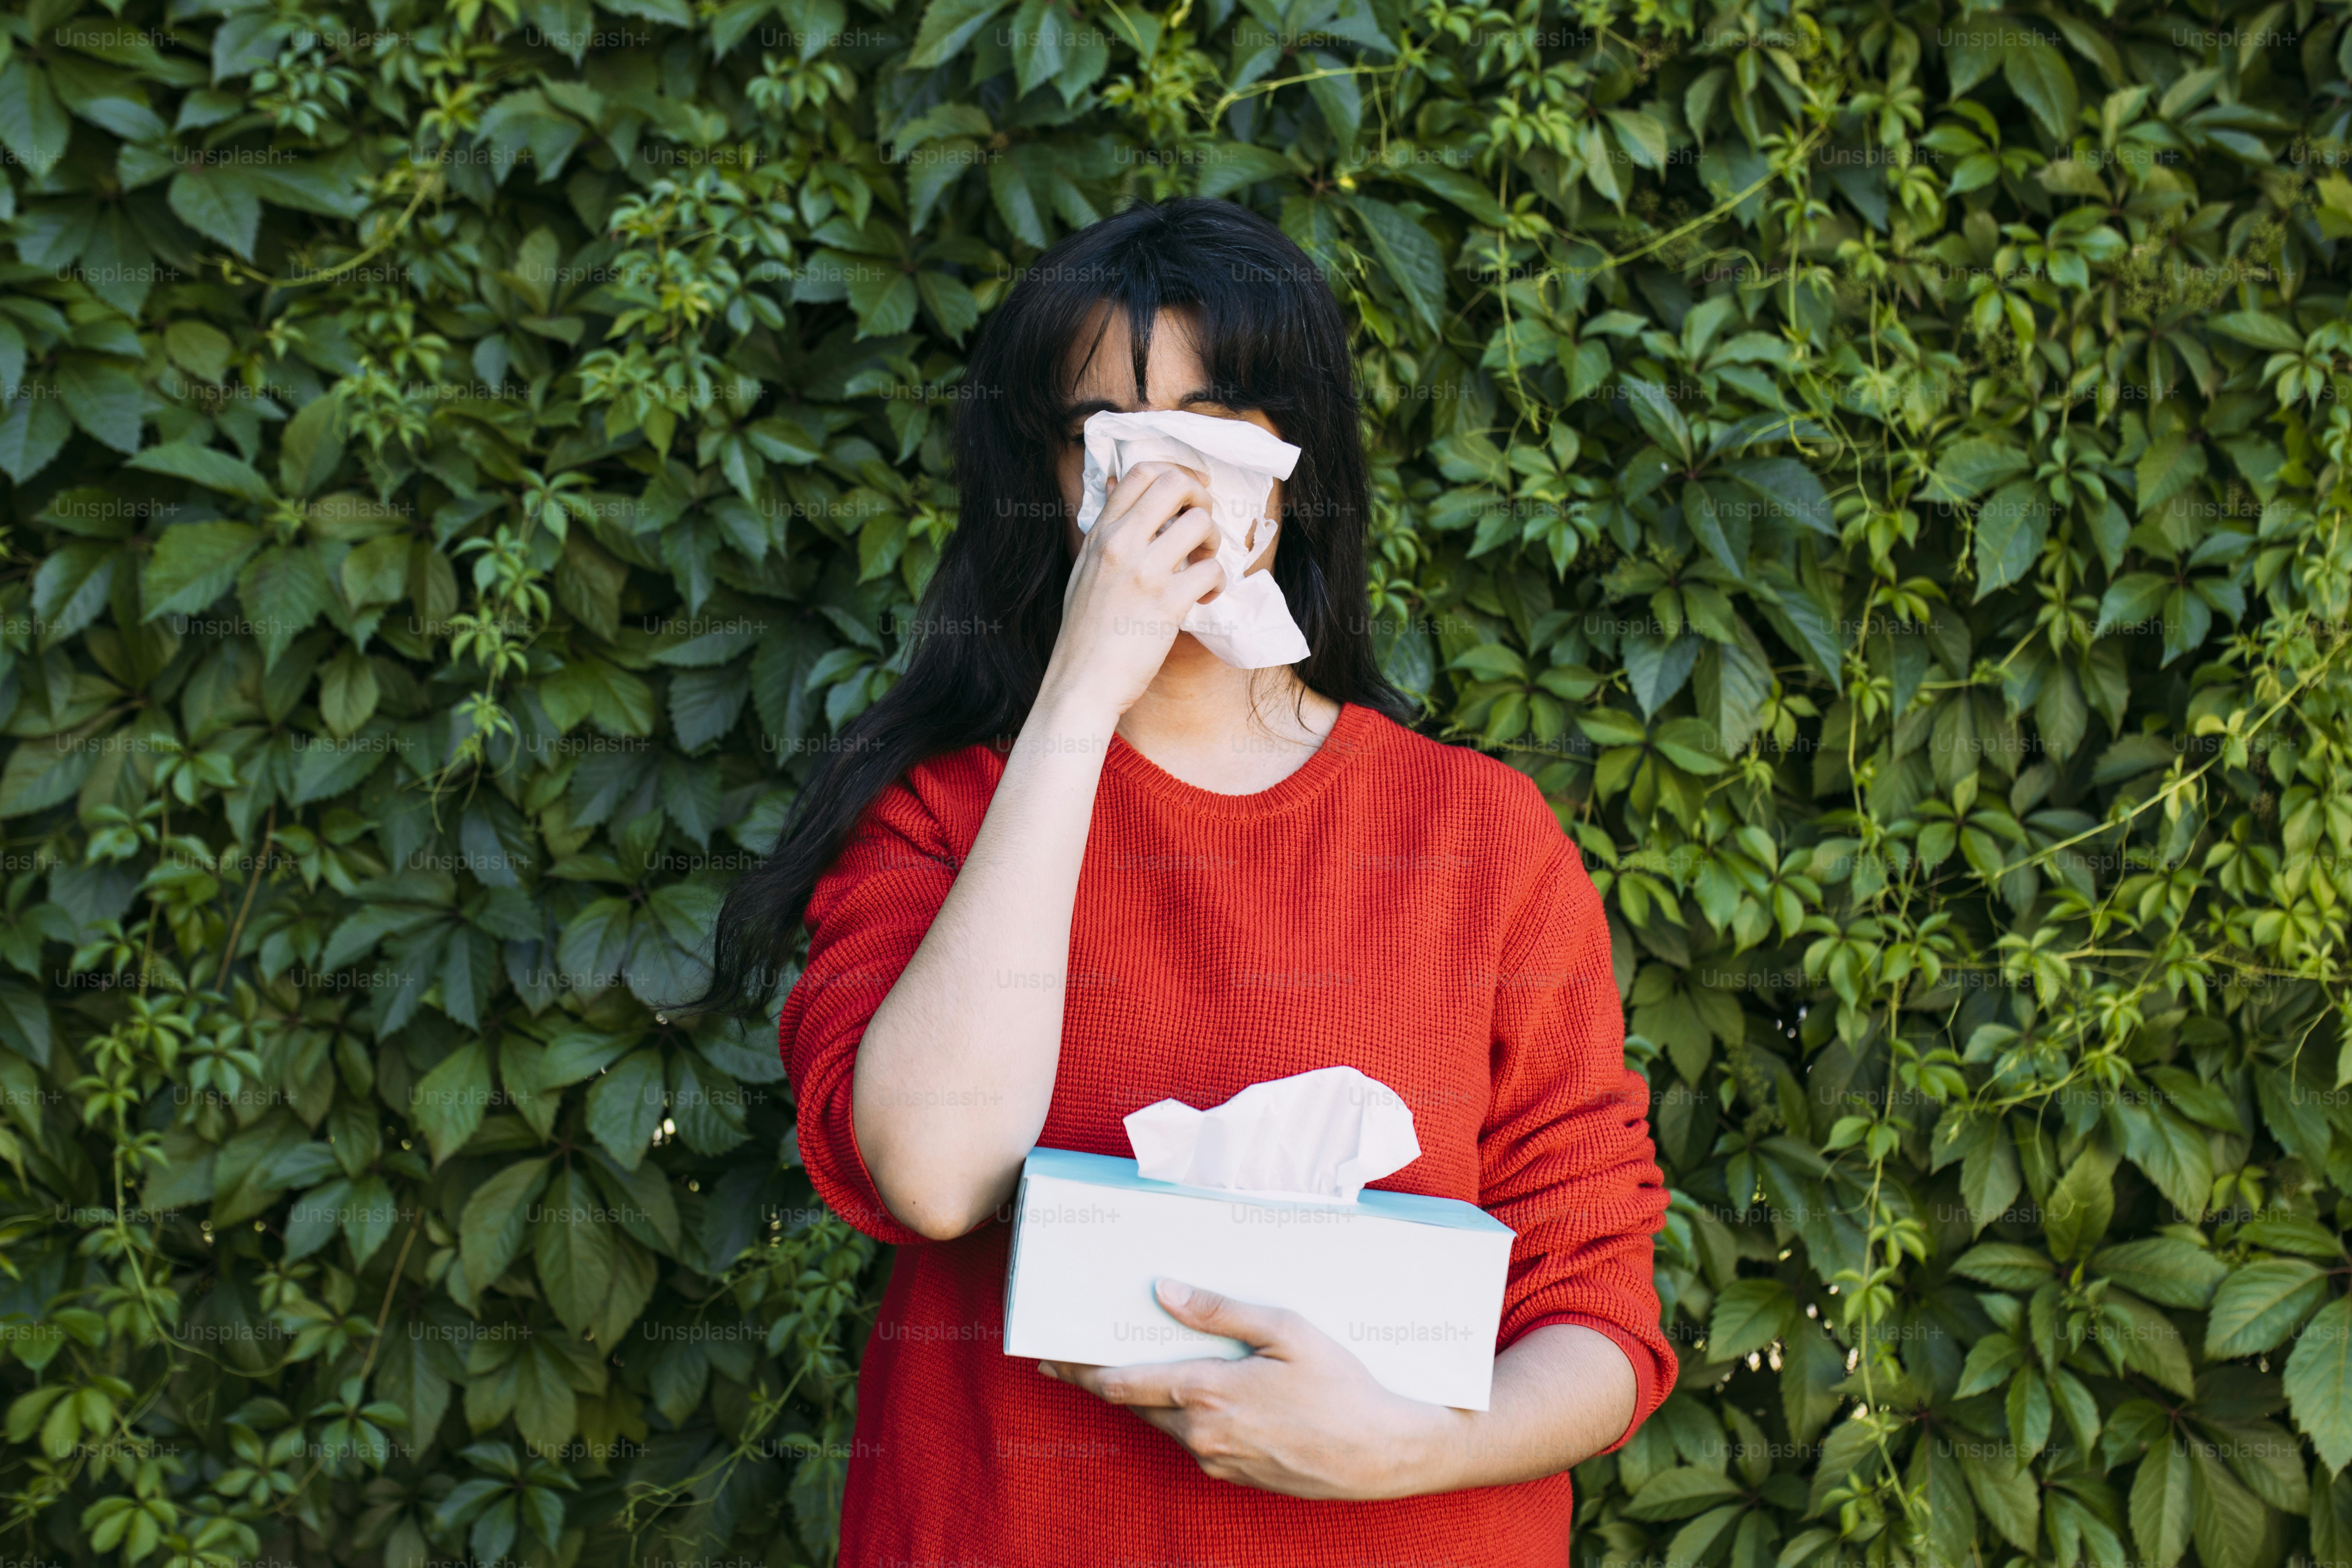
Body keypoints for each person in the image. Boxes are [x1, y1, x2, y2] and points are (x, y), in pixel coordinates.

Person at [703, 197, 1675, 1567]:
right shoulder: (941, 811)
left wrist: (1416, 1445)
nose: (1166, 477)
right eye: (1108, 434)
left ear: (1295, 456)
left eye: (1215, 420)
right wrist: (1082, 693)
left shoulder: (1480, 839)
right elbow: (932, 1176)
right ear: (1051, 481)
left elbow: (1598, 1302)